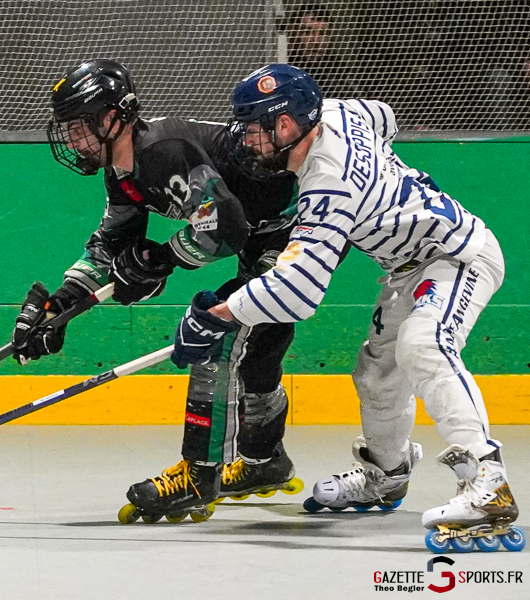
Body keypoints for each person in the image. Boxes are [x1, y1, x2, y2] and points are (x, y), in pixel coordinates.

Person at [172, 63, 519, 548]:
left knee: (425, 345)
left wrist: (219, 316)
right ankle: (387, 474)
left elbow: (299, 289)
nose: (245, 139)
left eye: (253, 129)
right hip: (407, 268)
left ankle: (488, 482)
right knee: (375, 374)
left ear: (286, 126)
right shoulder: (339, 112)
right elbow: (384, 117)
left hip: (458, 255)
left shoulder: (327, 186)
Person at [11, 59, 304, 522]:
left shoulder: (164, 151)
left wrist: (163, 258)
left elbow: (226, 228)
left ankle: (199, 474)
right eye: (66, 129)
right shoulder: (122, 174)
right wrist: (61, 305)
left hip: (301, 227)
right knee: (260, 347)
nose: (72, 140)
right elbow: (111, 245)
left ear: (114, 117)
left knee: (221, 327)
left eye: (80, 127)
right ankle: (264, 462)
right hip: (268, 230)